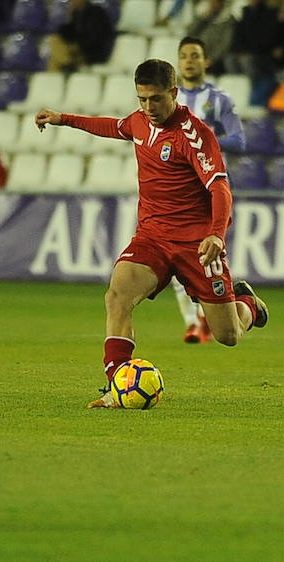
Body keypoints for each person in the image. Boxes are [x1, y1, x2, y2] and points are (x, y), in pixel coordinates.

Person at [34, 58, 270, 408]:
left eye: (156, 99)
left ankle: (247, 302)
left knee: (228, 334)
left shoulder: (195, 135)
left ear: (174, 93)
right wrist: (63, 119)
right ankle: (116, 383)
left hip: (197, 244)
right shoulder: (139, 122)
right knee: (117, 295)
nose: (148, 107)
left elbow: (220, 188)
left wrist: (216, 235)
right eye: (142, 99)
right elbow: (111, 126)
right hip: (152, 237)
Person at [173, 36, 246, 343]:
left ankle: (208, 316)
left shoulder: (219, 99)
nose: (190, 60)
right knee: (176, 255)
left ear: (206, 62)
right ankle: (193, 322)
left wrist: (204, 138)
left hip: (208, 189)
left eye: (195, 55)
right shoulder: (168, 100)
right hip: (177, 189)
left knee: (209, 255)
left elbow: (239, 141)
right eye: (185, 56)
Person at [46, 0, 114, 73]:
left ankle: (68, 64)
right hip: (78, 50)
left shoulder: (96, 12)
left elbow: (95, 39)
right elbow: (66, 33)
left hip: (92, 53)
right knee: (54, 42)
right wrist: (69, 18)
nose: (74, 0)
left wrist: (75, 46)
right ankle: (67, 64)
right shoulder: (76, 13)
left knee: (55, 60)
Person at [185, 0, 235, 74]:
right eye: (210, 1)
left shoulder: (228, 21)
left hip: (216, 60)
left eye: (214, 1)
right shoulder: (204, 18)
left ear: (221, 3)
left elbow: (225, 44)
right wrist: (202, 19)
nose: (211, 5)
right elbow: (189, 34)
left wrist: (211, 58)